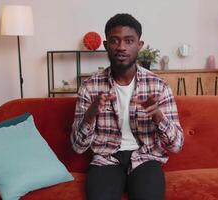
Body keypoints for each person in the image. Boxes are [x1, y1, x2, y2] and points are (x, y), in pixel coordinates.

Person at [71, 13, 183, 200]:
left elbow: (177, 145)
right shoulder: (90, 87)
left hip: (146, 157)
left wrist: (158, 116)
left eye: (129, 41)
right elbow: (77, 147)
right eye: (114, 41)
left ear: (139, 45)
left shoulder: (158, 86)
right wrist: (90, 115)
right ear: (106, 46)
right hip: (105, 159)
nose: (121, 47)